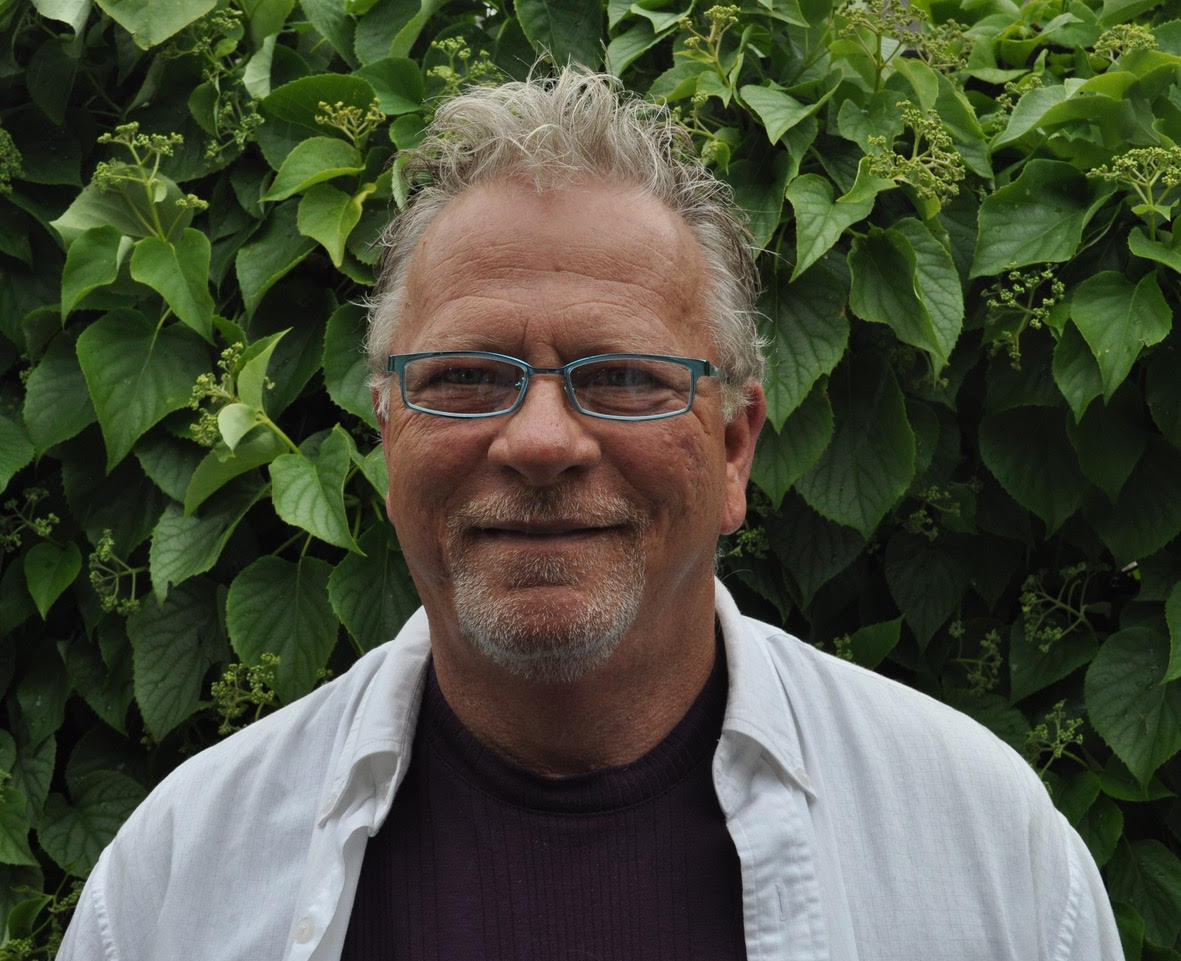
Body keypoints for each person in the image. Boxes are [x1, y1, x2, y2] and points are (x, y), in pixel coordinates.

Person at [58, 69, 1124, 961]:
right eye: (468, 377)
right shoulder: (176, 882)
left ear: (734, 446)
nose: (537, 441)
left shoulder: (983, 850)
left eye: (621, 376)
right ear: (389, 439)